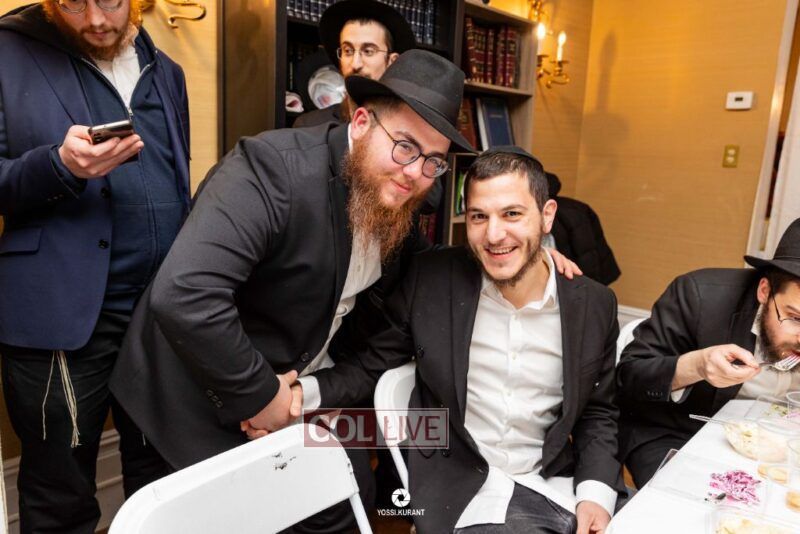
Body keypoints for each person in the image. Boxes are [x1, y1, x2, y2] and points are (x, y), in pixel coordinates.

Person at [109, 49, 474, 533]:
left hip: (289, 396)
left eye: (433, 162)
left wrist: (527, 257)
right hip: (182, 397)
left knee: (344, 505)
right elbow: (186, 295)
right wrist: (264, 398)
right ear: (362, 122)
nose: (415, 173)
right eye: (405, 146)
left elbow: (428, 279)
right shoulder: (271, 169)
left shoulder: (396, 206)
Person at [351, 147, 625, 534]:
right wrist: (296, 397)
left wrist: (595, 493)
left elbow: (598, 411)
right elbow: (368, 367)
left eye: (512, 214)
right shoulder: (432, 281)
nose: (494, 235)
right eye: (479, 216)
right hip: (464, 489)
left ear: (547, 216)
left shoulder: (594, 304)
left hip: (554, 482)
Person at [0, 0, 190, 531]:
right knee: (60, 496)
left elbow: (177, 178)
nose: (96, 20)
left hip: (158, 313)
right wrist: (57, 165)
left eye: (110, 0)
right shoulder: (6, 52)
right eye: (73, 3)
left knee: (163, 482)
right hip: (59, 312)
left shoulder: (166, 70)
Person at [617, 218, 800, 488]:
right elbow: (629, 378)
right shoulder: (699, 296)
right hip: (681, 433)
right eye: (795, 318)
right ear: (765, 291)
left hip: (785, 447)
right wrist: (697, 366)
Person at [293, 0, 415, 128]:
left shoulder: (409, 129)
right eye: (348, 51)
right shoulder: (310, 126)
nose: (355, 64)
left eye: (368, 51)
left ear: (392, 62)